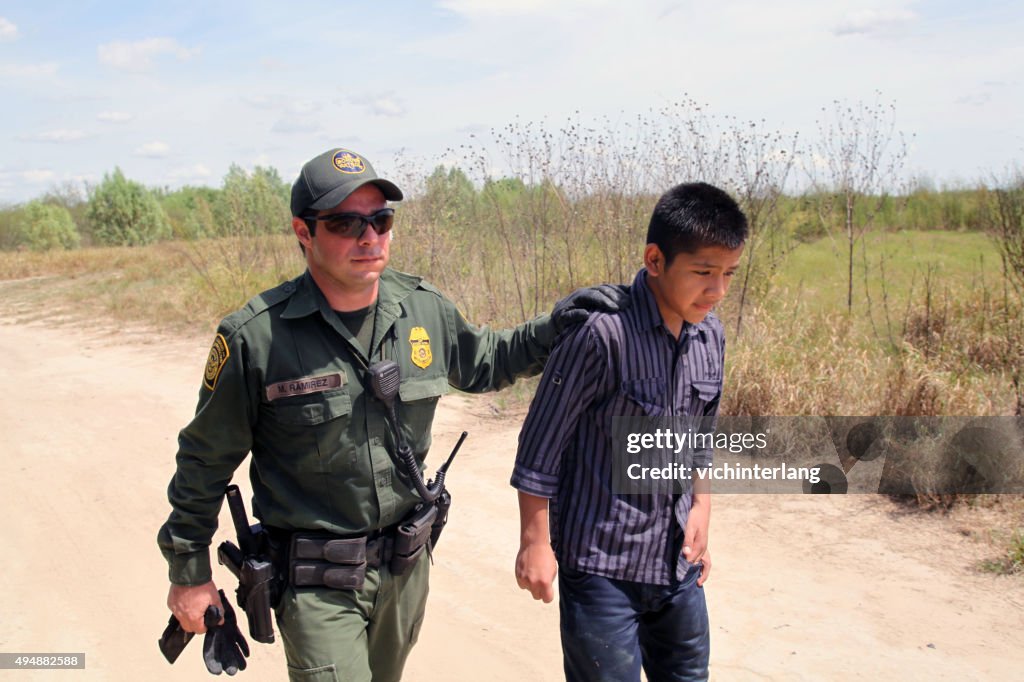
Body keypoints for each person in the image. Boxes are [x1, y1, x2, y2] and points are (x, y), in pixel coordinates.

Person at [157, 146, 625, 681]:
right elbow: (203, 460)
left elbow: (488, 361)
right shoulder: (256, 337)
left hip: (405, 571)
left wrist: (556, 325)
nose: (369, 236)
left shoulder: (423, 308)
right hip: (315, 584)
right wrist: (189, 572)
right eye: (345, 222)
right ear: (303, 232)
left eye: (381, 220)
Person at [511, 182, 748, 681]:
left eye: (728, 274)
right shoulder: (601, 334)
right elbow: (540, 446)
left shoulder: (711, 335)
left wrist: (702, 507)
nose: (718, 290)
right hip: (602, 567)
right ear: (656, 259)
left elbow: (702, 436)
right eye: (704, 273)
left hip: (676, 564)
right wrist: (535, 542)